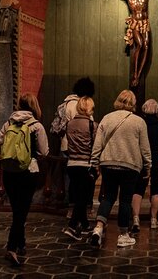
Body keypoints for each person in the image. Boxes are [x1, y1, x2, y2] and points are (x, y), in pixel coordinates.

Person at [0, 93, 49, 267]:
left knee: (17, 208)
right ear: (34, 106)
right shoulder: (36, 126)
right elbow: (44, 152)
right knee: (21, 211)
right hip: (28, 171)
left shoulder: (8, 123)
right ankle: (12, 248)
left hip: (9, 171)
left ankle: (21, 243)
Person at [89, 90, 152, 248]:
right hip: (130, 166)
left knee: (108, 197)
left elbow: (98, 144)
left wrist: (94, 162)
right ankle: (123, 234)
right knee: (125, 200)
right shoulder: (139, 122)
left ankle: (98, 228)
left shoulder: (106, 118)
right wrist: (148, 165)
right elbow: (145, 148)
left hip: (108, 163)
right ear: (133, 103)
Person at [50, 77, 95, 213]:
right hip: (81, 147)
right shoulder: (83, 104)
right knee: (82, 180)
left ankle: (66, 202)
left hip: (65, 144)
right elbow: (88, 126)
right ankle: (80, 207)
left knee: (67, 177)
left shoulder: (65, 103)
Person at [62, 96, 99, 240]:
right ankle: (72, 226)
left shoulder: (69, 124)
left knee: (78, 194)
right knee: (83, 198)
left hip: (72, 164)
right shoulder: (92, 125)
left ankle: (84, 224)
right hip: (86, 164)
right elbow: (96, 146)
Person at [131, 99, 158, 232]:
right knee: (156, 190)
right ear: (157, 109)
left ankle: (136, 219)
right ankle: (153, 220)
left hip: (142, 160)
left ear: (144, 109)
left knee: (138, 189)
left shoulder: (140, 125)